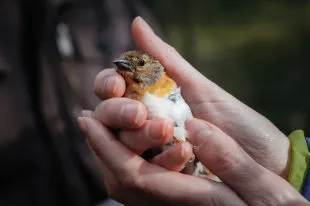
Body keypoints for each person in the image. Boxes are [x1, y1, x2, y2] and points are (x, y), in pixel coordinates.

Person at [77, 17, 310, 205]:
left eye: (138, 63)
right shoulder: (127, 94)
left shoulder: (168, 82)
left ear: (154, 66)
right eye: (123, 63)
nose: (126, 66)